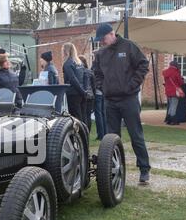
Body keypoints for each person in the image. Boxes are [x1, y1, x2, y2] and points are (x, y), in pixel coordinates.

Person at [94, 23, 150, 184]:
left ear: (112, 34)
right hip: (110, 101)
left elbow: (143, 65)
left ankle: (144, 169)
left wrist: (132, 85)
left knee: (136, 135)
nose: (102, 43)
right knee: (111, 138)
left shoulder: (129, 46)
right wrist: (102, 87)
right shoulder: (101, 53)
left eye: (103, 39)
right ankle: (113, 168)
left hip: (129, 100)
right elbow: (96, 73)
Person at [62, 42, 87, 124]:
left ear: (65, 51)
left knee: (75, 117)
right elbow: (85, 77)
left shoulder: (67, 64)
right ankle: (84, 135)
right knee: (82, 115)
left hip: (73, 93)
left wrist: (82, 91)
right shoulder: (79, 63)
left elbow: (73, 79)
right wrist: (84, 90)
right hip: (81, 92)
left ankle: (78, 135)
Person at [162, 60, 184, 126]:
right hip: (175, 91)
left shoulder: (165, 72)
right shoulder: (176, 72)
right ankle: (173, 121)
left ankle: (168, 120)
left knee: (170, 105)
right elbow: (180, 82)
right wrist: (182, 79)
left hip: (168, 91)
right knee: (173, 106)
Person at [79, 55, 96, 132]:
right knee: (88, 116)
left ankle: (84, 132)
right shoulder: (90, 72)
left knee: (83, 115)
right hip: (90, 96)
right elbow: (93, 86)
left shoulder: (80, 72)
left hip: (83, 96)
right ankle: (87, 131)